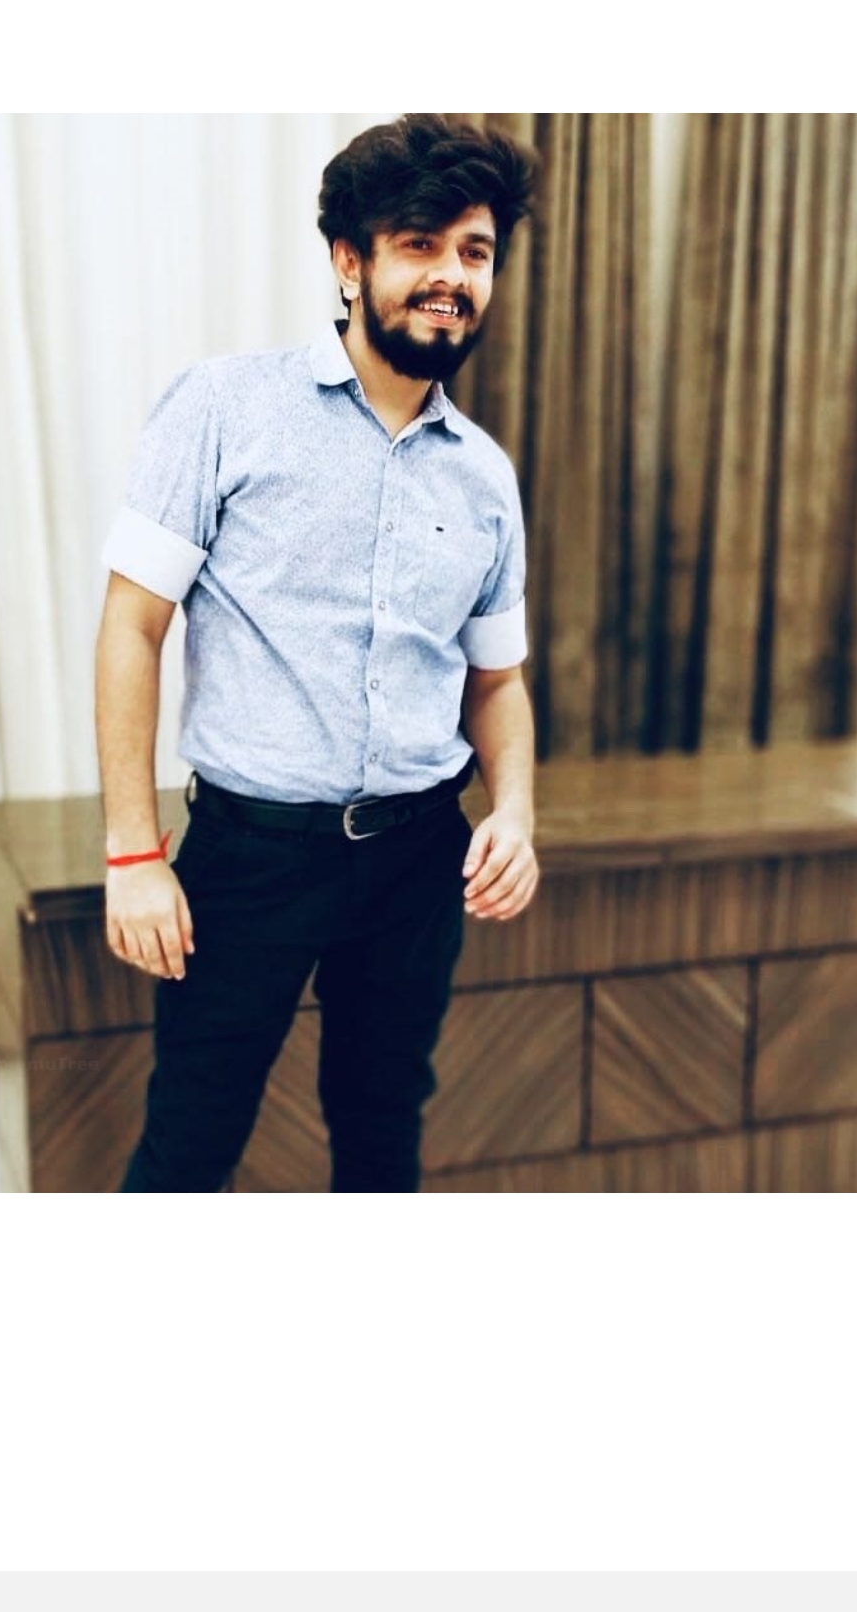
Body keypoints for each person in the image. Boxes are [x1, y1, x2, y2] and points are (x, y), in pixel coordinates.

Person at [95, 113, 540, 1193]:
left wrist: (517, 812)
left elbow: (498, 681)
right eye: (421, 245)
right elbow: (131, 627)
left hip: (417, 859)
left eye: (475, 251)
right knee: (190, 1145)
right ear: (350, 261)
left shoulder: (485, 476)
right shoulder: (224, 407)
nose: (452, 276)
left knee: (383, 1139)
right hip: (251, 857)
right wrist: (133, 855)